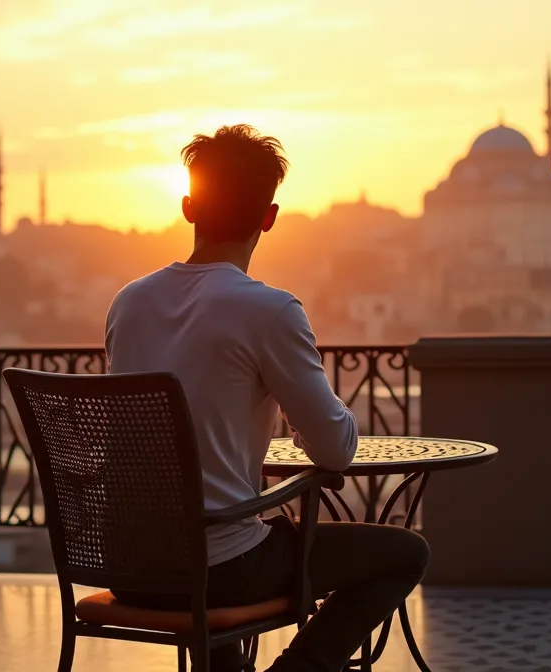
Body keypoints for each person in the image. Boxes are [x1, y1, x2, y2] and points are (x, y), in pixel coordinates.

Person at [104, 125, 430, 672]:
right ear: (269, 217)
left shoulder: (128, 303)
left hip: (127, 567)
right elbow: (336, 451)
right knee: (406, 553)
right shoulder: (269, 311)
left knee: (226, 534)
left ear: (188, 207)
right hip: (220, 570)